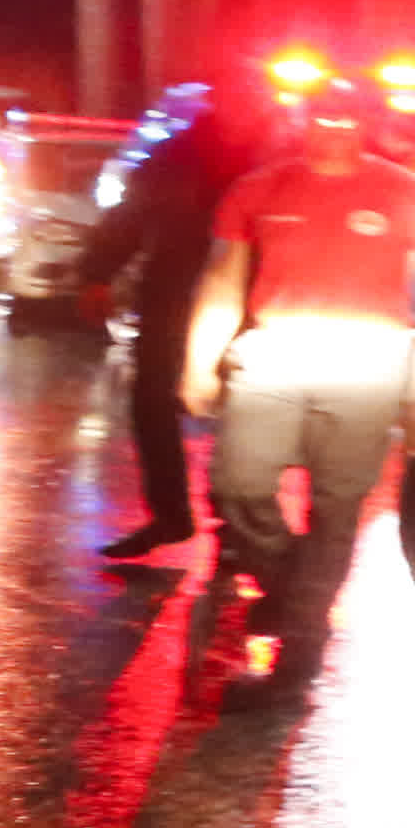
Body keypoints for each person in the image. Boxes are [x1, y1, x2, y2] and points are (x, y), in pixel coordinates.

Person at [191, 76, 415, 667]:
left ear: (367, 123)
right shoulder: (257, 190)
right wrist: (197, 364)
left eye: (347, 118)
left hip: (370, 367)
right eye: (322, 117)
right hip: (274, 357)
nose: (333, 130)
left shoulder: (407, 194)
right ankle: (289, 587)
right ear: (303, 119)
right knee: (239, 487)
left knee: (337, 504)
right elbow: (224, 282)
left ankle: (302, 637)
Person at [75, 86, 253, 560]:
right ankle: (174, 514)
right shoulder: (181, 153)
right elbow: (130, 214)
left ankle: (233, 524)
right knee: (154, 405)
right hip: (174, 296)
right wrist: (98, 273)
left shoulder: (280, 158)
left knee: (250, 416)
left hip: (249, 304)